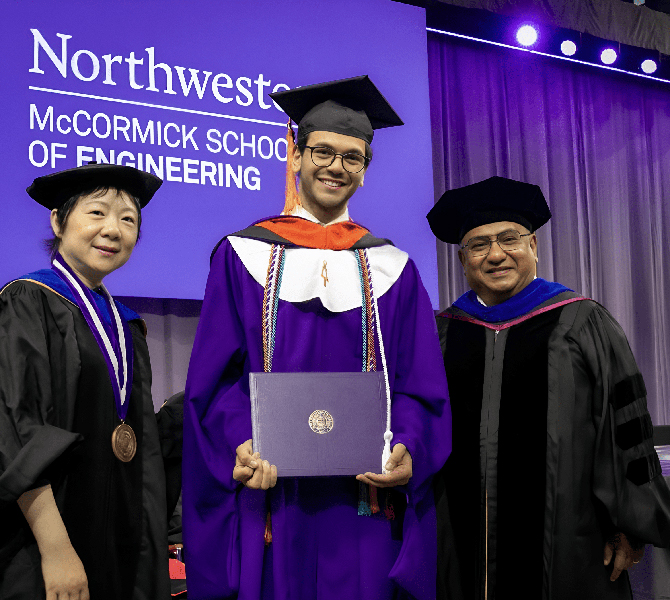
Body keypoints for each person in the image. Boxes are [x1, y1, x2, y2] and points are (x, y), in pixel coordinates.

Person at [183, 76, 451, 600]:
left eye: (353, 158)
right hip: (274, 493)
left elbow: (421, 385)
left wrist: (410, 450)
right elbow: (216, 379)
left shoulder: (393, 267)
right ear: (296, 156)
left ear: (366, 171)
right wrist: (240, 439)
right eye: (323, 152)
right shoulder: (242, 255)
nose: (336, 167)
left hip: (364, 503)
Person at [427, 176, 670, 600]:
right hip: (463, 545)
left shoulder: (582, 323)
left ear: (533, 247)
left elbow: (625, 431)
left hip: (571, 541)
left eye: (509, 239)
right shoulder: (443, 333)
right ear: (463, 260)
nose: (496, 254)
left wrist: (629, 527)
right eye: (479, 245)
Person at [0, 163, 169, 599]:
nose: (112, 229)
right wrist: (56, 550)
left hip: (116, 542)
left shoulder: (126, 325)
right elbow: (18, 430)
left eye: (128, 219)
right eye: (97, 213)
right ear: (58, 221)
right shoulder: (28, 302)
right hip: (44, 544)